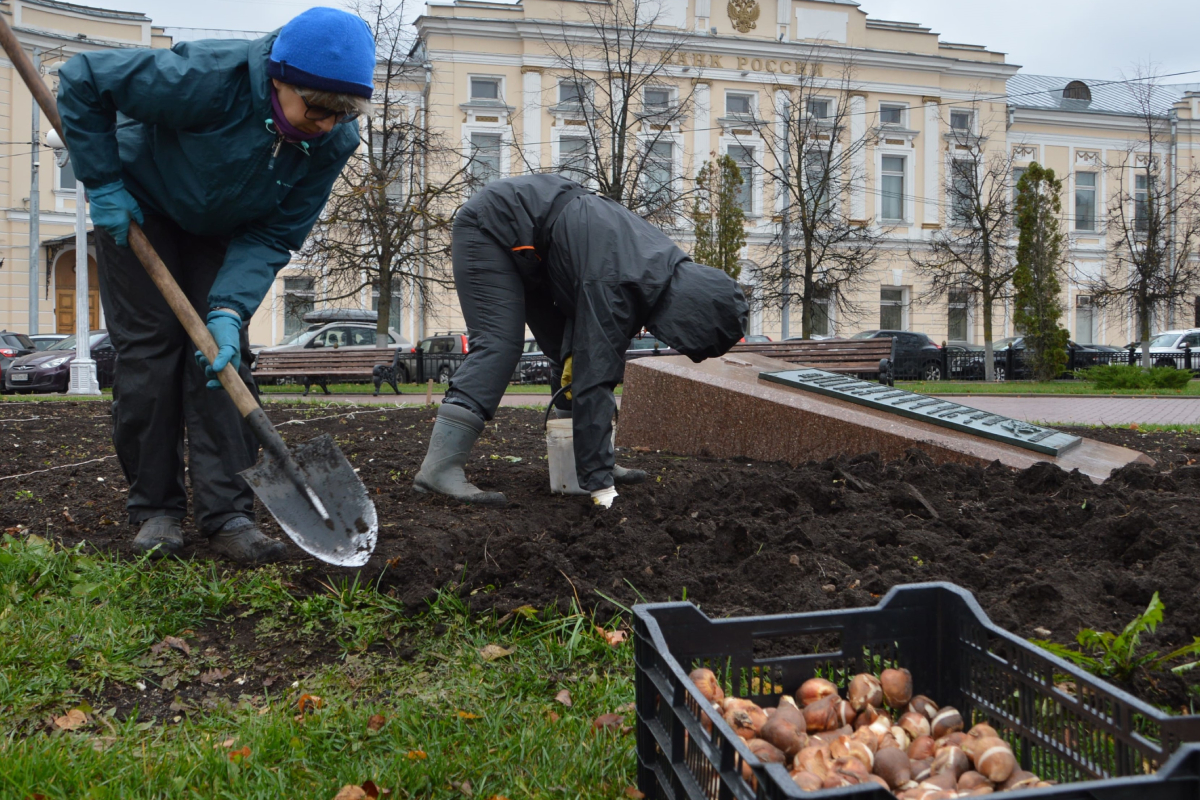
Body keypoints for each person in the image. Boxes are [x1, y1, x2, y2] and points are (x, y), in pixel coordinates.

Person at [56, 7, 375, 563]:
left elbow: (276, 232)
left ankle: (228, 515)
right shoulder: (205, 79)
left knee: (220, 361)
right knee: (151, 354)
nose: (326, 124)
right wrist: (103, 183)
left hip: (225, 230)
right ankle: (156, 510)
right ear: (279, 79)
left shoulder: (332, 140)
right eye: (318, 109)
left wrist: (229, 307)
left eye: (340, 113)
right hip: (140, 209)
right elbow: (84, 78)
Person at [414, 174, 748, 509]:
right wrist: (601, 488)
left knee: (568, 353)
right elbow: (595, 374)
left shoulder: (655, 267)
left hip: (538, 248)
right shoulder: (618, 279)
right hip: (492, 229)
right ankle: (439, 468)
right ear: (687, 313)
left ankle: (580, 460)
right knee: (500, 344)